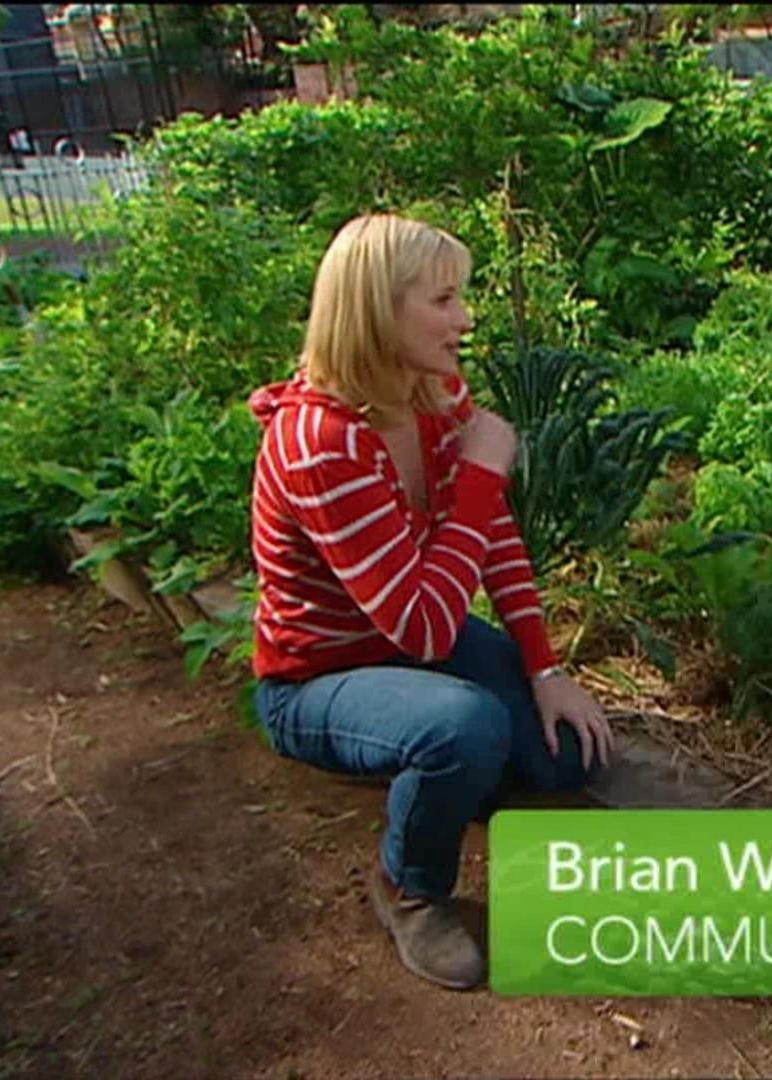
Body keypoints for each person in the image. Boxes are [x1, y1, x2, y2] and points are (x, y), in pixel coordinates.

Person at [247, 214, 616, 990]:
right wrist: (482, 474)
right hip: (316, 678)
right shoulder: (321, 442)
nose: (466, 319)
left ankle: (449, 774)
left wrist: (546, 670)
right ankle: (410, 885)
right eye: (444, 301)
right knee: (463, 727)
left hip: (410, 638)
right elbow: (424, 630)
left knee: (568, 756)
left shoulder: (433, 394)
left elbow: (494, 537)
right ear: (378, 312)